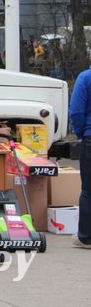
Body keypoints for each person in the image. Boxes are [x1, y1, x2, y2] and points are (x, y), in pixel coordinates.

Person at [68, 66, 91, 249]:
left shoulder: (85, 78)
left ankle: (86, 237)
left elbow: (76, 111)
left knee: (89, 190)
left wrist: (80, 132)